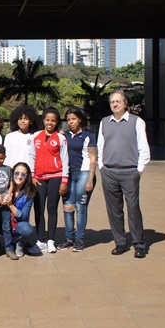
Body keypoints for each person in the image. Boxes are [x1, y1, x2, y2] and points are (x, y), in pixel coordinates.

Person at [98, 90, 150, 258]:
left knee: (133, 208)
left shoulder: (136, 122)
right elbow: (100, 146)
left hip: (130, 171)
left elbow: (144, 148)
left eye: (118, 101)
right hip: (109, 171)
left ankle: (139, 243)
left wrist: (139, 169)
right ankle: (120, 242)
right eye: (112, 101)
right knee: (114, 209)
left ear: (125, 103)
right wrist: (101, 166)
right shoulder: (105, 122)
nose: (115, 104)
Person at [57, 107, 97, 252]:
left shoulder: (88, 136)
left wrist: (90, 179)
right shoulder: (64, 135)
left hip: (83, 173)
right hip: (68, 174)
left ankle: (79, 239)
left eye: (73, 119)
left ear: (80, 119)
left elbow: (93, 158)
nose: (71, 122)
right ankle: (69, 238)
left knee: (80, 207)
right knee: (68, 207)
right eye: (68, 120)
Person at [32, 107, 69, 254]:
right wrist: (33, 175)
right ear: (43, 120)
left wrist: (64, 180)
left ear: (57, 122)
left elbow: (65, 160)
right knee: (38, 208)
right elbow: (31, 156)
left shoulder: (61, 138)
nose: (50, 123)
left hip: (55, 177)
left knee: (52, 209)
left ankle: (50, 240)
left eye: (53, 120)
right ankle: (40, 240)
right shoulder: (36, 136)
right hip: (39, 178)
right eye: (47, 120)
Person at [0, 162, 42, 257]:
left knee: (27, 230)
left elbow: (23, 216)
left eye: (23, 174)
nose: (19, 177)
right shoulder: (5, 186)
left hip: (17, 224)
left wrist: (10, 205)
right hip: (2, 221)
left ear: (27, 177)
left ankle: (20, 243)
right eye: (16, 173)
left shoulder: (30, 192)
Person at [4, 105, 38, 169]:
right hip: (12, 171)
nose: (22, 121)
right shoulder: (9, 137)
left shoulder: (35, 136)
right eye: (20, 118)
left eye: (26, 119)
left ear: (31, 121)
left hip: (29, 172)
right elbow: (6, 156)